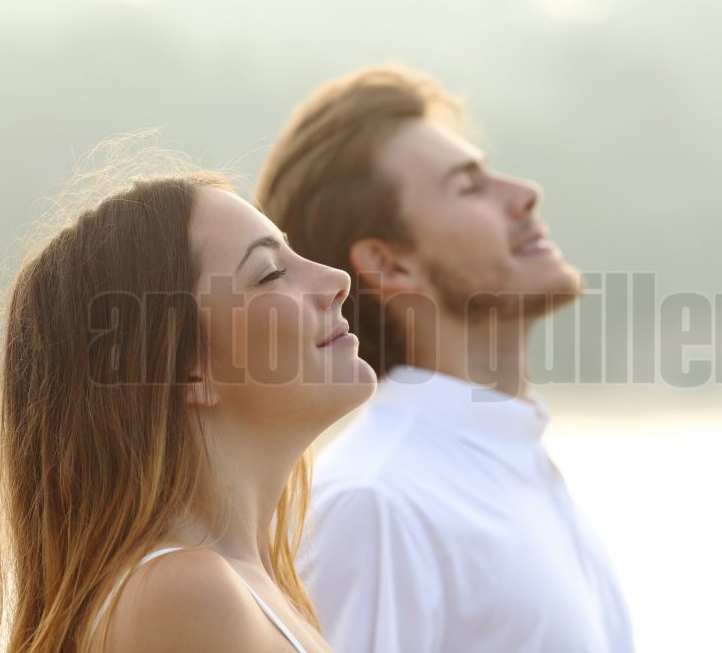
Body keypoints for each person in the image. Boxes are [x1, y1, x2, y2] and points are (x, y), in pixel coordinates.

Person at [256, 66, 635, 652]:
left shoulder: (511, 463)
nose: (525, 193)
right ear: (389, 264)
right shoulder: (377, 503)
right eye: (468, 186)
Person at [0, 169, 376, 652]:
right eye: (271, 272)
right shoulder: (183, 593)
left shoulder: (255, 587)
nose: (337, 280)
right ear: (189, 369)